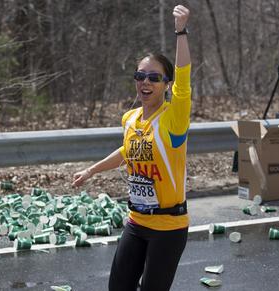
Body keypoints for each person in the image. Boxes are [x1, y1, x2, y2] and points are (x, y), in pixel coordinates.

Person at [72, 4, 191, 291]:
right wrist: (91, 170)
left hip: (169, 228)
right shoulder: (131, 119)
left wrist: (181, 31)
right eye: (140, 76)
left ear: (165, 84)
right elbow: (127, 152)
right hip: (136, 222)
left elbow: (184, 79)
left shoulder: (173, 119)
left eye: (154, 78)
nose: (145, 83)